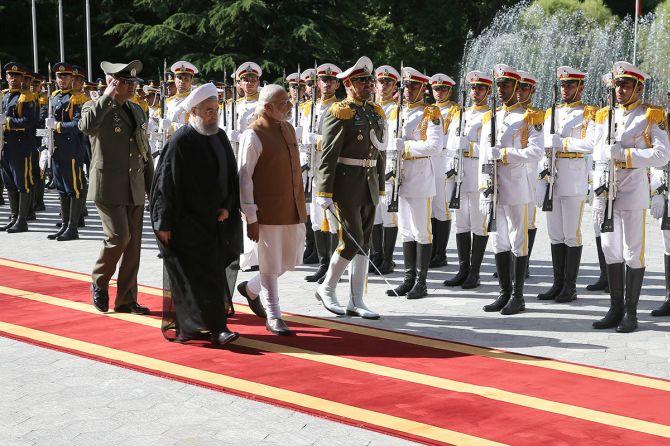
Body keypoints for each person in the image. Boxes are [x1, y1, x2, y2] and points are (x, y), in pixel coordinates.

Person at [150, 83, 242, 346]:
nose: (213, 115)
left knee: (211, 275)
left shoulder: (220, 136)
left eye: (215, 110)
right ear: (193, 112)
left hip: (213, 223)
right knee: (195, 278)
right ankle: (216, 329)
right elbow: (164, 186)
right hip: (185, 224)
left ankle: (204, 326)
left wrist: (227, 205)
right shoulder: (180, 141)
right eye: (208, 111)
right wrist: (163, 223)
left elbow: (228, 177)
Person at [591, 61, 669, 333]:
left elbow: (662, 155)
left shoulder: (651, 115)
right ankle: (615, 308)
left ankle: (631, 313)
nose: (620, 89)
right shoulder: (604, 115)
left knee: (632, 251)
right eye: (617, 84)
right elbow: (596, 149)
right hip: (606, 190)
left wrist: (626, 156)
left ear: (639, 86)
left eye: (625, 84)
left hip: (633, 189)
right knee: (610, 248)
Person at [79, 60, 154, 315]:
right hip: (108, 185)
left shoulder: (136, 110)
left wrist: (152, 187)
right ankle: (100, 280)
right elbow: (87, 126)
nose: (133, 87)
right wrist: (107, 95)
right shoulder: (95, 106)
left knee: (133, 245)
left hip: (134, 185)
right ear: (114, 82)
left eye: (134, 83)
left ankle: (126, 299)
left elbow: (145, 151)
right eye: (127, 82)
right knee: (119, 238)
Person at [314, 56, 385, 319]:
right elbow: (328, 155)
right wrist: (324, 192)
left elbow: (380, 151)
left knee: (364, 242)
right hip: (346, 184)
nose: (368, 85)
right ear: (349, 85)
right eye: (362, 81)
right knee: (351, 239)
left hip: (368, 183)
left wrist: (380, 187)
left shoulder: (374, 112)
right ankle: (327, 288)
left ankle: (357, 300)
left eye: (369, 80)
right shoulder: (340, 111)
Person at [236, 84, 307, 335]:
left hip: (292, 207)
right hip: (266, 211)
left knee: (288, 261)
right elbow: (245, 179)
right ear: (267, 108)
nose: (289, 106)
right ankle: (274, 314)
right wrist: (250, 216)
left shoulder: (288, 128)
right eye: (283, 103)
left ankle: (251, 289)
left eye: (288, 101)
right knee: (269, 263)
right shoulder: (252, 135)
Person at [479, 64, 543, 315]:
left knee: (518, 238)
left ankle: (518, 295)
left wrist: (506, 154)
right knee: (498, 239)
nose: (501, 89)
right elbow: (485, 155)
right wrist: (483, 185)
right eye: (499, 85)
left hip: (516, 185)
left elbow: (536, 152)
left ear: (517, 87)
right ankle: (504, 292)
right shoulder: (491, 117)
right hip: (493, 188)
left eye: (506, 85)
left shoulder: (529, 117)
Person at [536, 66, 595, 303]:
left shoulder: (589, 113)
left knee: (571, 233)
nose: (565, 89)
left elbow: (590, 143)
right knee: (555, 234)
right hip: (553, 176)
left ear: (581, 87)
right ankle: (557, 283)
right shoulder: (551, 112)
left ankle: (570, 286)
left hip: (573, 176)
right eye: (563, 85)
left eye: (570, 85)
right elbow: (542, 145)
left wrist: (563, 142)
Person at [386, 67, 443, 300]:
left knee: (421, 231)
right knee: (406, 230)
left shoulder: (431, 113)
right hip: (400, 177)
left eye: (413, 86)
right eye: (405, 86)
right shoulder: (398, 111)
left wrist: (406, 147)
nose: (408, 90)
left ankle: (421, 282)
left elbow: (434, 146)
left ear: (422, 88)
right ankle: (408, 279)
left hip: (420, 177)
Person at [443, 70, 492, 289]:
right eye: (473, 88)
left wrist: (469, 146)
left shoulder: (490, 115)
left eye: (480, 88)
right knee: (461, 223)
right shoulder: (459, 113)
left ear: (488, 92)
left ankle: (475, 272)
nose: (475, 91)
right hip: (458, 173)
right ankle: (462, 269)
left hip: (475, 170)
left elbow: (489, 148)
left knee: (478, 224)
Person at [299, 63, 342, 283]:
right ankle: (323, 264)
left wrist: (315, 139)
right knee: (316, 219)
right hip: (311, 169)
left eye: (330, 80)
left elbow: (336, 141)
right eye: (323, 80)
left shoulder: (340, 108)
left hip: (329, 170)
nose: (326, 84)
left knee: (332, 219)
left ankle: (335, 267)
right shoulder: (308, 107)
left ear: (337, 84)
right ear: (317, 83)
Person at [41, 62, 87, 241]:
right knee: (61, 188)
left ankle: (73, 228)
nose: (62, 80)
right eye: (59, 77)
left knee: (73, 188)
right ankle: (65, 224)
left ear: (72, 78)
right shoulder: (55, 96)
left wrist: (58, 126)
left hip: (72, 148)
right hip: (57, 149)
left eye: (66, 76)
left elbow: (78, 124)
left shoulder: (78, 98)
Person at [0, 62, 39, 233]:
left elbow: (30, 121)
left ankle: (22, 220)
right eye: (10, 75)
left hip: (21, 146)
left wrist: (7, 122)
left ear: (23, 78)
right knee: (9, 183)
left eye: (16, 76)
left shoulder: (27, 97)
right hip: (5, 146)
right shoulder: (5, 96)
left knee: (22, 183)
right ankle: (14, 216)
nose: (13, 79)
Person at [371, 65, 400, 275]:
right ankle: (376, 255)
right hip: (372, 163)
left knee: (389, 213)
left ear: (395, 86)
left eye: (388, 83)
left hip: (389, 163)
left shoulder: (398, 110)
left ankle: (388, 259)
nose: (384, 86)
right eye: (381, 82)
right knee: (374, 213)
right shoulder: (369, 107)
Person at [429, 73, 457, 269]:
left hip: (445, 160)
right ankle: (431, 250)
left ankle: (441, 253)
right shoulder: (428, 110)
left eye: (443, 89)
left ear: (449, 90)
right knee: (429, 207)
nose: (439, 92)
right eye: (436, 89)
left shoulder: (456, 111)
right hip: (428, 161)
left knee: (442, 208)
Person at [516, 70, 541, 278]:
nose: (519, 92)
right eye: (517, 87)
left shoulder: (536, 115)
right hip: (511, 171)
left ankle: (524, 262)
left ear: (531, 90)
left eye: (524, 88)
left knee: (529, 219)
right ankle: (511, 261)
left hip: (531, 170)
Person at [164, 61, 198, 134]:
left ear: (191, 80)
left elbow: (194, 128)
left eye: (186, 79)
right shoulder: (168, 101)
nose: (182, 81)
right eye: (179, 78)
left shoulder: (195, 101)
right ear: (174, 79)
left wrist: (170, 127)